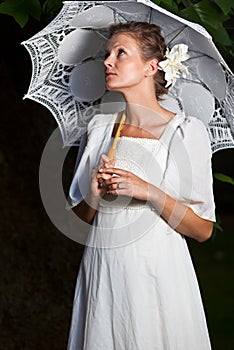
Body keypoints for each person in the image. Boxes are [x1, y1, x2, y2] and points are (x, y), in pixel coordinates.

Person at [67, 22, 216, 350]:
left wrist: (148, 190)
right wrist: (93, 193)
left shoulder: (185, 132)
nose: (108, 61)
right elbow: (80, 219)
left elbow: (203, 229)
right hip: (103, 269)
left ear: (151, 67)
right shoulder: (101, 128)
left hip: (156, 271)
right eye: (108, 54)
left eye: (121, 53)